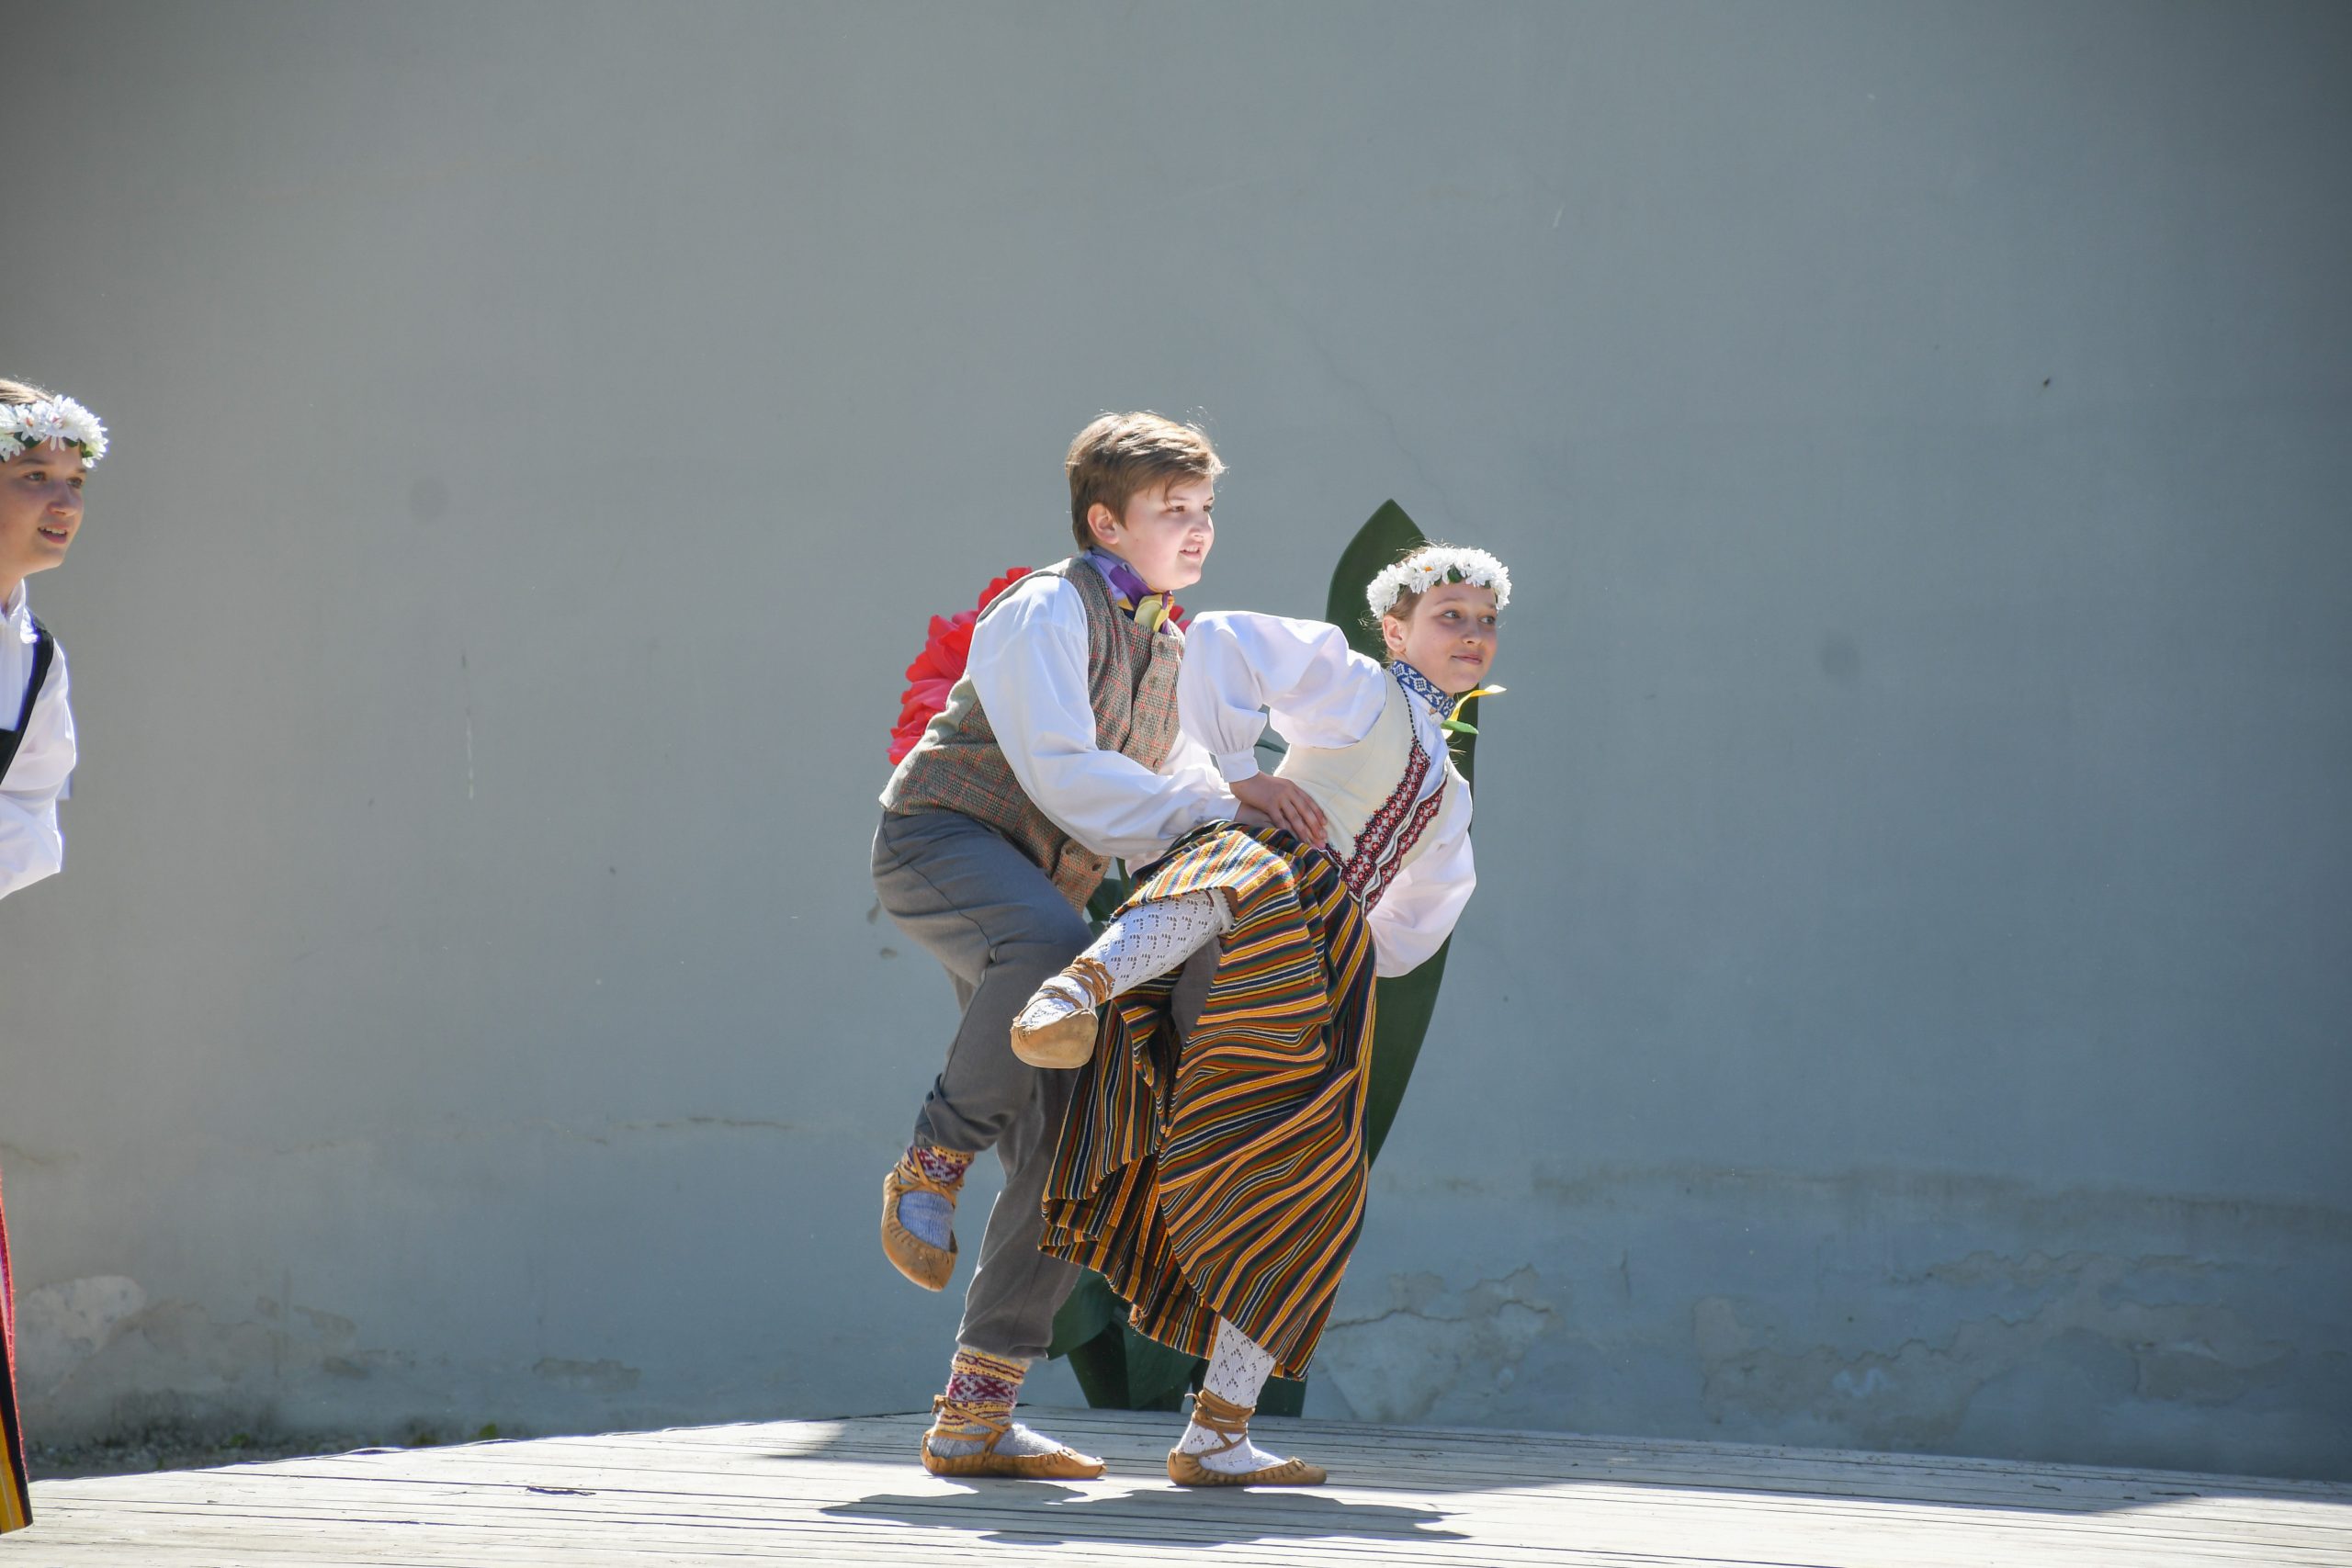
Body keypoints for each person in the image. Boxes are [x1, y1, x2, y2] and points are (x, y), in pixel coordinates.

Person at [871, 412, 1321, 1479]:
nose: (1198, 528)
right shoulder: (1044, 607)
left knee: (1066, 1137)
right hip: (944, 843)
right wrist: (1212, 809)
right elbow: (1063, 770)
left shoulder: (1166, 638)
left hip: (1032, 895)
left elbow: (1174, 773)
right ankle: (931, 1161)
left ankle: (974, 1415)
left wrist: (1244, 800)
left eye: (1204, 508)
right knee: (1052, 944)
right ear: (1105, 523)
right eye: (1172, 510)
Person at [1017, 543, 1508, 1487]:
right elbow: (1228, 643)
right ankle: (1076, 990)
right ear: (1395, 628)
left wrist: (1352, 941)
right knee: (1251, 873)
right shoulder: (1359, 690)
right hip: (1267, 883)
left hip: (1317, 964)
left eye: (1485, 622)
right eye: (1450, 615)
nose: (1472, 634)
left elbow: (1423, 918)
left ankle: (1218, 1430)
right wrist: (1246, 772)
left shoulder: (1450, 792)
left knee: (1310, 1187)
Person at [0, 378, 108, 1535]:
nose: (61, 503)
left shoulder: (32, 658)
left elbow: (35, 815)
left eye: (73, 482)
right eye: (33, 477)